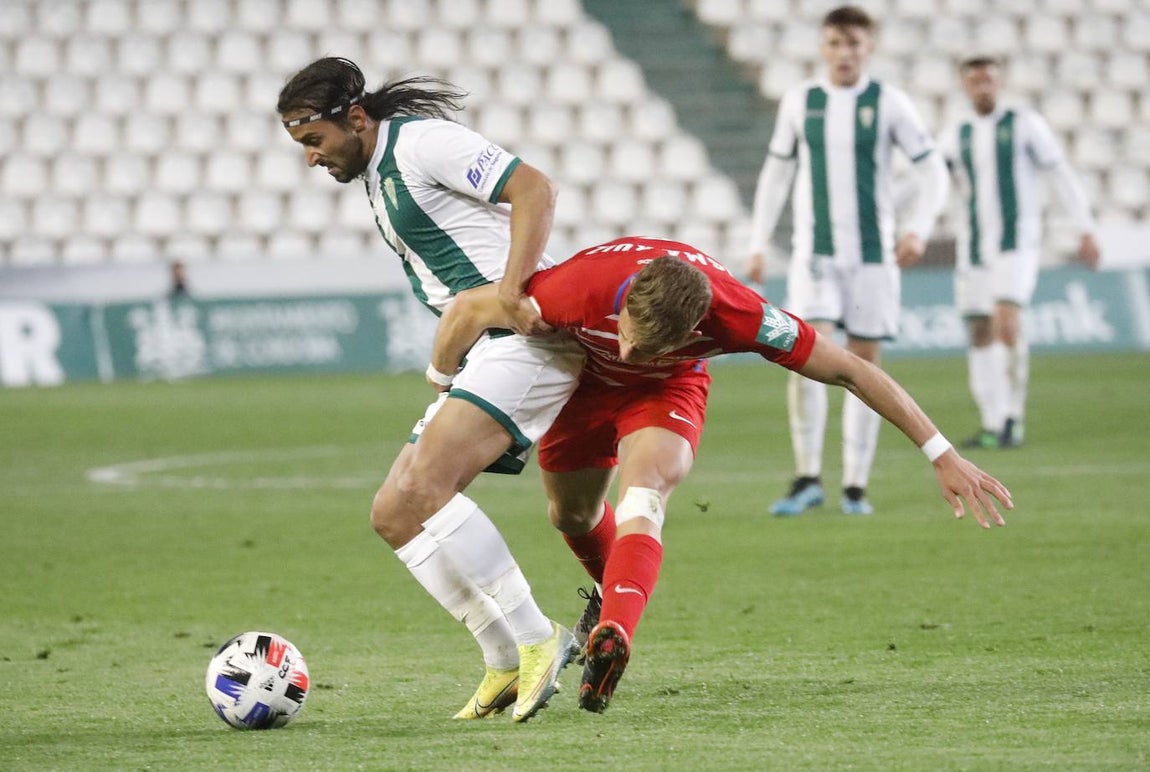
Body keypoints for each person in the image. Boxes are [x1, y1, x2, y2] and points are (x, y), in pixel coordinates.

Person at [431, 235, 1012, 713]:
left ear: (694, 332)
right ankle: (614, 593)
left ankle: (614, 629)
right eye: (629, 335)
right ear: (625, 300)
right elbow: (470, 308)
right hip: (580, 383)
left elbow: (851, 371)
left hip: (667, 394)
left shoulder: (742, 315)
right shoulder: (577, 287)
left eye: (651, 345)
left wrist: (940, 451)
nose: (632, 353)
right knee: (571, 514)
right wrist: (441, 379)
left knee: (645, 497)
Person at [277, 58, 587, 723]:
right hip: (486, 350)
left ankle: (540, 639)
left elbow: (534, 188)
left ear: (355, 119)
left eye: (313, 141)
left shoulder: (423, 144)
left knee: (425, 488)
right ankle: (503, 660)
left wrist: (511, 289)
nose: (310, 159)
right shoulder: (377, 167)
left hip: (524, 341)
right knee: (394, 513)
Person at [747, 5, 949, 517]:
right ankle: (808, 476)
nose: (844, 53)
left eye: (854, 44)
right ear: (823, 47)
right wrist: (757, 240)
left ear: (869, 47)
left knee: (864, 363)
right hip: (815, 255)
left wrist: (917, 230)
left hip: (874, 257)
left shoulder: (889, 103)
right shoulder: (801, 101)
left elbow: (934, 173)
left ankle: (855, 485)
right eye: (836, 43)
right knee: (806, 355)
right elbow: (776, 174)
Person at [937, 56, 1100, 449]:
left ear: (1001, 83)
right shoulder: (955, 132)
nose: (983, 87)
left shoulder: (1024, 123)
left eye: (990, 80)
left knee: (1006, 322)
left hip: (1016, 243)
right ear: (964, 86)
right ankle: (991, 421)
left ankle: (1014, 416)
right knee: (978, 330)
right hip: (973, 247)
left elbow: (1059, 173)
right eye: (975, 81)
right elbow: (931, 180)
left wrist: (1085, 228)